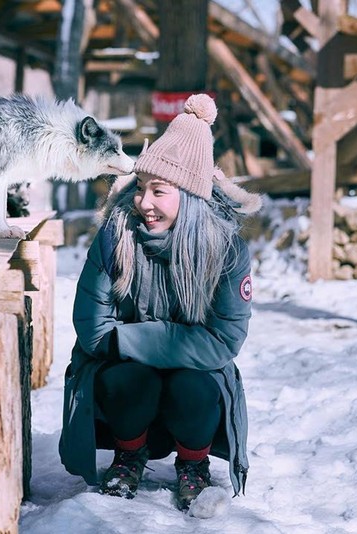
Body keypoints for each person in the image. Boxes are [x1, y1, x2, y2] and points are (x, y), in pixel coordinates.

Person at [58, 94, 261, 511]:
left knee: (194, 386)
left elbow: (224, 342)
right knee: (131, 380)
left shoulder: (225, 250)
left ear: (189, 197)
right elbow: (93, 330)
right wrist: (174, 344)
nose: (143, 203)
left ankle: (193, 464)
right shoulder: (116, 236)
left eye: (159, 192)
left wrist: (135, 339)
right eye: (141, 189)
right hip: (127, 379)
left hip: (192, 378)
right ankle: (129, 453)